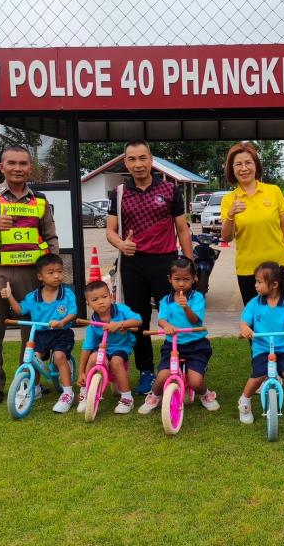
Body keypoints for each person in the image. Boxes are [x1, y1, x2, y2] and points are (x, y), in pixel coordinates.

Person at [0, 144, 59, 406]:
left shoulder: (40, 200)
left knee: (33, 329)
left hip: (32, 273)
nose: (17, 168)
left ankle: (29, 381)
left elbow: (50, 235)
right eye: (12, 163)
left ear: (30, 168)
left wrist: (52, 269)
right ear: (2, 167)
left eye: (23, 163)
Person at [106, 140, 193, 396]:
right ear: (126, 163)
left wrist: (189, 265)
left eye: (142, 158)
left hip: (165, 262)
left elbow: (182, 229)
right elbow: (110, 231)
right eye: (132, 159)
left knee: (174, 315)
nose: (138, 164)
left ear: (151, 159)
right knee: (138, 319)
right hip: (132, 264)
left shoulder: (169, 189)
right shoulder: (118, 193)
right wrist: (121, 244)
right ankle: (146, 370)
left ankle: (178, 364)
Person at [137, 257, 220, 414]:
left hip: (196, 345)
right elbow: (161, 319)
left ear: (194, 279)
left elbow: (195, 320)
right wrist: (166, 326)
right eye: (177, 279)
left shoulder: (197, 298)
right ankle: (154, 396)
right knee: (162, 377)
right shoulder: (166, 301)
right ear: (170, 279)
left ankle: (205, 394)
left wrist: (186, 307)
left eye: (186, 279)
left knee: (196, 381)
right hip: (172, 345)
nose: (181, 284)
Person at [220, 142, 284, 305]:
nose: (244, 168)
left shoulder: (274, 191)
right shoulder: (228, 200)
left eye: (248, 162)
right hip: (248, 271)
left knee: (281, 316)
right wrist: (231, 215)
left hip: (278, 268)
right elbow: (226, 238)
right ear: (232, 169)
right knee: (254, 317)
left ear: (256, 165)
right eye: (238, 164)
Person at [0, 253, 78, 413]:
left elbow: (73, 313)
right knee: (33, 359)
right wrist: (10, 296)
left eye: (60, 271)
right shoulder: (33, 297)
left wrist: (62, 322)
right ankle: (34, 388)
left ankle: (67, 393)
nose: (57, 276)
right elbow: (20, 310)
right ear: (40, 276)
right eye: (51, 272)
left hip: (61, 333)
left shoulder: (67, 293)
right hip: (41, 334)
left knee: (59, 357)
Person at [237, 262, 284, 425]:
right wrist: (245, 328)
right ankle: (244, 402)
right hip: (262, 348)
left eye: (259, 282)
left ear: (274, 285)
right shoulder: (254, 303)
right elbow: (244, 321)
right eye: (256, 281)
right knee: (257, 376)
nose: (255, 285)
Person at [76, 280, 143, 414]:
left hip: (121, 347)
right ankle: (85, 391)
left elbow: (138, 320)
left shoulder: (121, 310)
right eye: (95, 299)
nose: (101, 302)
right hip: (103, 348)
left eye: (104, 297)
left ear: (111, 296)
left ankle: (127, 398)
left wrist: (120, 324)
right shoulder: (93, 324)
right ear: (88, 303)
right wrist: (81, 372)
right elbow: (86, 348)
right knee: (93, 357)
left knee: (116, 362)